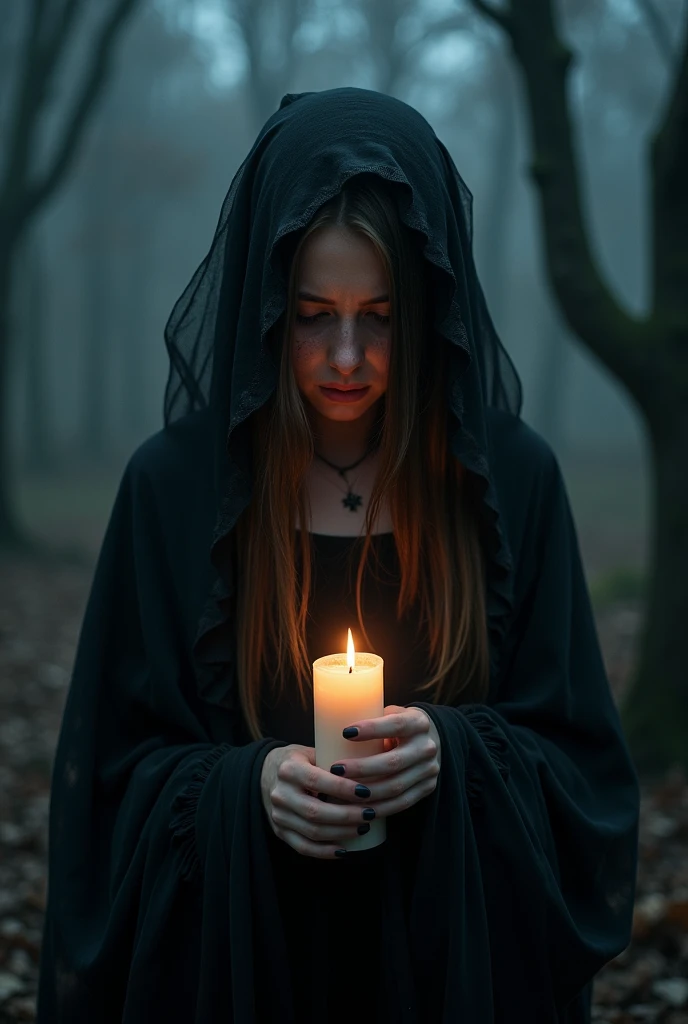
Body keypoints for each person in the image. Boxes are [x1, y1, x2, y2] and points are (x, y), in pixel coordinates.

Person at [35, 88, 640, 1023]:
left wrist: (457, 753)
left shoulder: (509, 484)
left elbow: (585, 778)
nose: (347, 357)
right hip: (246, 976)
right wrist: (246, 788)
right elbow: (106, 788)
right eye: (314, 314)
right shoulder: (174, 490)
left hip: (446, 973)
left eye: (382, 316)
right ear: (266, 304)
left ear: (431, 307)